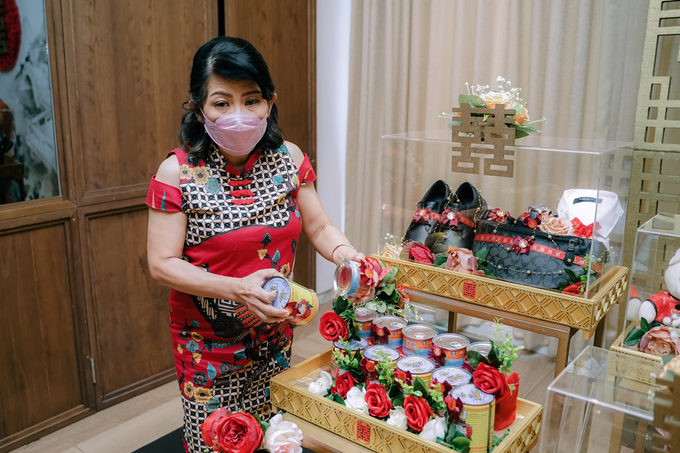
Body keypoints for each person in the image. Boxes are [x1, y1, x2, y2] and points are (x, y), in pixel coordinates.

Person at [146, 36, 363, 452]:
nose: (240, 115)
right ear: (198, 107)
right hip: (207, 346)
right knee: (218, 441)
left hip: (276, 332)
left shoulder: (289, 158)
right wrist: (237, 288)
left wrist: (347, 256)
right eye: (222, 103)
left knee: (275, 435)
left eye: (252, 100)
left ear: (270, 103)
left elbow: (319, 228)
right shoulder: (177, 172)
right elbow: (161, 263)